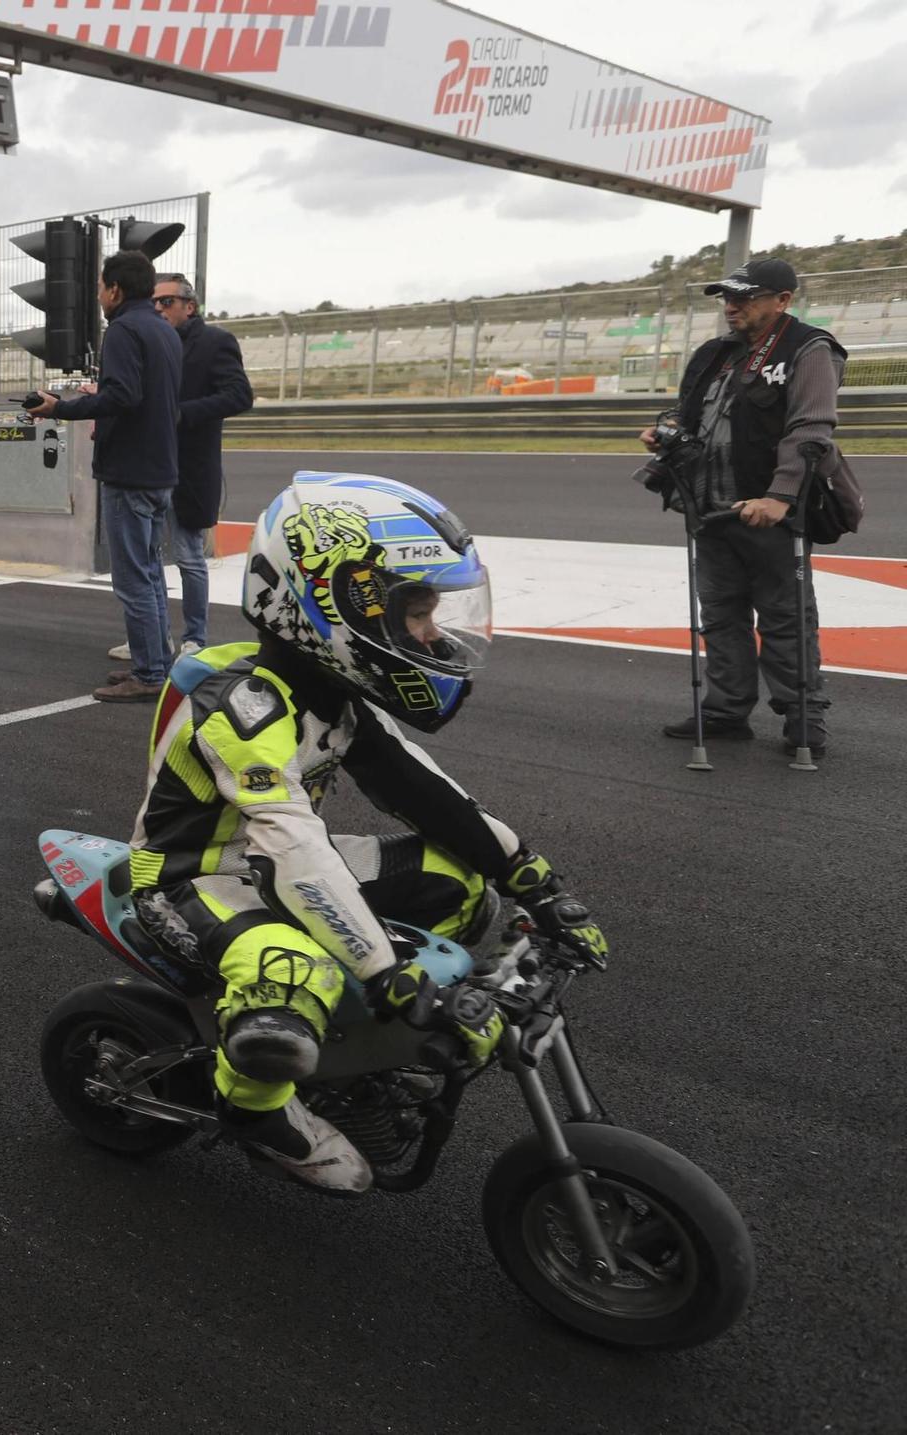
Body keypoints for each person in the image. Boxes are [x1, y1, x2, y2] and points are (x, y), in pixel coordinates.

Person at [126, 472, 607, 1191]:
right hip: (193, 875)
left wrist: (532, 875)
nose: (433, 633)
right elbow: (296, 846)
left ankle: (356, 1047)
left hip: (272, 864)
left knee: (461, 885)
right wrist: (389, 977)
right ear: (331, 602)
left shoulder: (334, 697)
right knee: (291, 971)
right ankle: (252, 1106)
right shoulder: (243, 710)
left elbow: (426, 792)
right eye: (416, 612)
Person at [650, 257, 845, 758]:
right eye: (727, 297)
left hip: (769, 511)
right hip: (708, 506)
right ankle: (725, 711)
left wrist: (780, 496)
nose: (731, 306)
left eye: (745, 297)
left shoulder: (808, 348)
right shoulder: (714, 353)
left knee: (785, 618)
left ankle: (804, 718)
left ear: (783, 301)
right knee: (719, 615)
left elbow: (811, 429)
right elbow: (688, 413)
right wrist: (665, 435)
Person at [28, 251, 183, 702]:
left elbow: (124, 396)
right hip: (159, 468)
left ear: (115, 290)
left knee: (134, 578)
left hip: (130, 471)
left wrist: (63, 408)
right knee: (150, 573)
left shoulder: (123, 331)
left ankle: (150, 674)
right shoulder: (164, 330)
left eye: (100, 288)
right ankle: (155, 664)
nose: (98, 296)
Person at [122, 273, 251, 663]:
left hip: (191, 467)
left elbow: (239, 395)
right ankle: (153, 638)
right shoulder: (150, 342)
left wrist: (180, 414)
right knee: (148, 557)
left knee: (189, 555)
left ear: (189, 306)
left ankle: (195, 638)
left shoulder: (215, 342)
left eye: (166, 302)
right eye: (154, 302)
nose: (158, 309)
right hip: (148, 466)